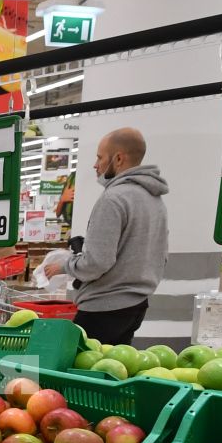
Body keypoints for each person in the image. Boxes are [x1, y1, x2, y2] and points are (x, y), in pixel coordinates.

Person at [60, 127, 169, 344]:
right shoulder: (155, 199)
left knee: (80, 374)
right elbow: (161, 254)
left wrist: (67, 264)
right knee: (112, 371)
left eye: (100, 157)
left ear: (118, 159)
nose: (95, 164)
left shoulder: (113, 199)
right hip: (136, 306)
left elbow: (96, 263)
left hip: (102, 308)